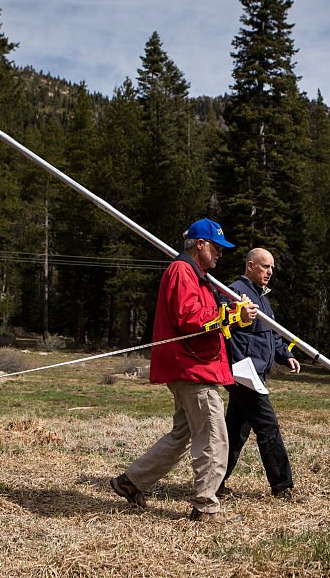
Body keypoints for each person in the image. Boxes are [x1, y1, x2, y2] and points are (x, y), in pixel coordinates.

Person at [110, 218, 256, 523]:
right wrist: (229, 314)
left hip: (191, 364)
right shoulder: (182, 271)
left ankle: (131, 482)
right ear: (199, 244)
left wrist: (235, 315)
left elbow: (208, 317)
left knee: (183, 434)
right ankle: (205, 506)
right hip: (191, 368)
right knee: (215, 435)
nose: (220, 253)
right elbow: (191, 320)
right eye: (216, 247)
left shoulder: (196, 274)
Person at [219, 247, 302, 500]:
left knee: (235, 432)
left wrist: (285, 355)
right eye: (265, 266)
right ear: (250, 266)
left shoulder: (263, 299)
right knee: (268, 427)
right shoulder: (233, 293)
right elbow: (224, 329)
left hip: (256, 374)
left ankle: (215, 482)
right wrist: (238, 368)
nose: (270, 272)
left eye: (272, 268)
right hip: (244, 374)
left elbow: (271, 335)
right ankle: (283, 487)